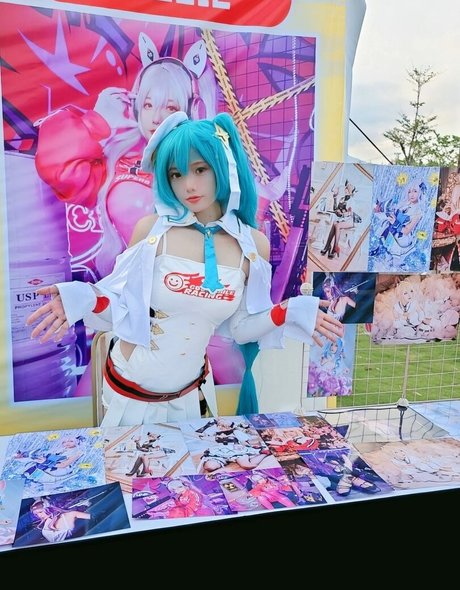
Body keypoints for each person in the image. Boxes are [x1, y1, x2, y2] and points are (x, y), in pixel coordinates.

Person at [26, 111, 344, 427]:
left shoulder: (252, 246)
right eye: (177, 174)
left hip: (190, 397)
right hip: (129, 396)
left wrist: (288, 311)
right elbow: (121, 308)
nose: (188, 185)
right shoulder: (152, 232)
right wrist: (82, 298)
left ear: (224, 167)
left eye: (200, 169)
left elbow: (239, 329)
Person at [35, 34, 212, 277]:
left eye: (170, 107)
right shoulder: (118, 161)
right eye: (148, 105)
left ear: (192, 109)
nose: (156, 118)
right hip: (126, 286)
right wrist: (96, 121)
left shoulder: (210, 165)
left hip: (192, 286)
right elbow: (56, 166)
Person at [369, 180, 425, 262]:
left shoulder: (418, 212)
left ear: (420, 192)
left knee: (395, 262)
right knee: (386, 258)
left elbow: (407, 231)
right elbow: (393, 211)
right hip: (391, 233)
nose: (411, 194)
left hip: (401, 239)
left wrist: (395, 223)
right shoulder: (404, 204)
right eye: (409, 192)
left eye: (415, 191)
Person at [320, 179, 357, 259]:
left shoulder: (352, 201)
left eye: (348, 190)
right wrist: (335, 198)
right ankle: (328, 246)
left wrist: (342, 214)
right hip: (343, 219)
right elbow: (335, 209)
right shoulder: (342, 199)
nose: (346, 190)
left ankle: (334, 247)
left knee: (337, 225)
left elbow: (350, 214)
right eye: (346, 189)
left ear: (351, 192)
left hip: (351, 221)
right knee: (335, 223)